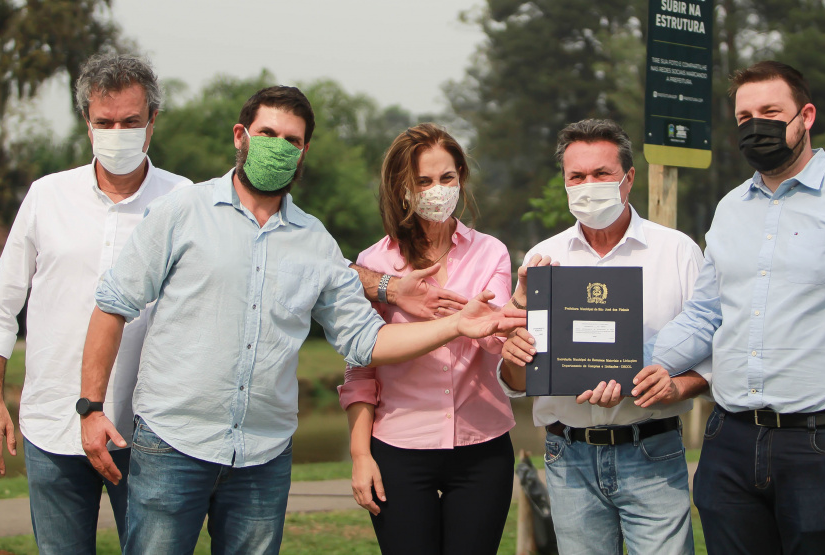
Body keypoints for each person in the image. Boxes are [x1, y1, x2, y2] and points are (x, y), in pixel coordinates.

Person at [78, 86, 525, 554]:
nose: (279, 146)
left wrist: (456, 325)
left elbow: (366, 343)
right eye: (267, 133)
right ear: (240, 136)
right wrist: (90, 406)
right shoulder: (182, 211)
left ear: (304, 152)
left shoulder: (314, 241)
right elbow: (113, 304)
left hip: (261, 456)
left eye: (292, 140)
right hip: (173, 442)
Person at [647, 61, 825, 554]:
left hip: (824, 442)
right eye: (744, 117)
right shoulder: (729, 209)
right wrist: (643, 361)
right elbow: (706, 313)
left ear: (805, 116)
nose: (756, 126)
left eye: (771, 111)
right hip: (728, 438)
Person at [0, 53, 189, 553]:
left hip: (149, 434)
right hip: (52, 424)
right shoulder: (46, 196)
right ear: (87, 123)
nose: (117, 132)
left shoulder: (185, 202)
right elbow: (3, 301)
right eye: (105, 122)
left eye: (130, 121)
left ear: (152, 122)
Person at [498, 118, 710, 555]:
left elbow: (713, 357)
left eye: (602, 174)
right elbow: (516, 382)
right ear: (564, 181)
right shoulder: (543, 260)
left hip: (651, 451)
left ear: (628, 178)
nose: (588, 184)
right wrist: (515, 349)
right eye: (576, 176)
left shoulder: (678, 253)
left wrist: (676, 387)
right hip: (567, 455)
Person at [339, 123, 517, 554]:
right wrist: (361, 456)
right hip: (398, 450)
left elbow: (500, 347)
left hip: (483, 447)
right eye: (423, 181)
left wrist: (509, 325)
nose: (437, 190)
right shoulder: (374, 265)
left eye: (446, 178)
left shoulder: (491, 252)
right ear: (402, 188)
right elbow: (361, 370)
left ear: (461, 179)